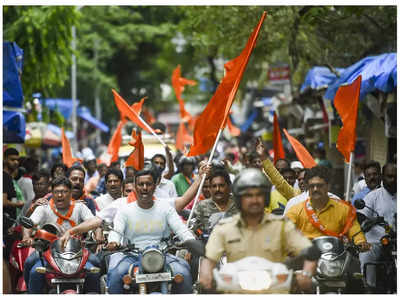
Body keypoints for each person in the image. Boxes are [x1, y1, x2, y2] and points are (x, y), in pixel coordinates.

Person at [199, 168, 318, 293]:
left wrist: (306, 274)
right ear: (239, 199)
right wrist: (206, 274)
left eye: (259, 195)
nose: (254, 200)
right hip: (236, 291)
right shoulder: (224, 228)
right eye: (248, 195)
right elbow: (209, 259)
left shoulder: (282, 226)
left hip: (275, 291)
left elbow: (309, 250)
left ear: (266, 198)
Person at [105, 168, 197, 294]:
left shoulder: (166, 208)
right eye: (140, 184)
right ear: (135, 187)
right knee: (116, 274)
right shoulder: (125, 211)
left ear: (155, 186)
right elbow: (116, 231)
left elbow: (181, 229)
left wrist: (190, 241)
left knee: (183, 272)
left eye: (148, 184)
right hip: (131, 256)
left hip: (162, 255)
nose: (144, 187)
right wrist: (113, 242)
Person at [21, 176, 100, 294]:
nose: (59, 195)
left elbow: (96, 221)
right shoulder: (44, 208)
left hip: (77, 253)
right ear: (52, 193)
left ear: (70, 193)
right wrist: (26, 237)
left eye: (64, 192)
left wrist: (71, 232)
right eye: (56, 192)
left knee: (96, 265)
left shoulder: (80, 207)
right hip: (48, 253)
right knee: (31, 268)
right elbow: (30, 224)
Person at [285, 166, 370, 251]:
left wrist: (361, 242)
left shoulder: (344, 209)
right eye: (312, 186)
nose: (315, 189)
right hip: (306, 259)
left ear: (328, 186)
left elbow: (355, 231)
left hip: (336, 258)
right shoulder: (295, 210)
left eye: (320, 185)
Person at [357, 162, 396, 290]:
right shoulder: (373, 196)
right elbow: (361, 220)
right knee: (366, 253)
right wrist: (372, 221)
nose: (393, 179)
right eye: (390, 176)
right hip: (378, 243)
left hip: (396, 242)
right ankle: (369, 288)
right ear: (383, 177)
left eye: (396, 176)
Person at [192, 168, 238, 233]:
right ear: (210, 188)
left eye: (221, 186)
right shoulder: (202, 206)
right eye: (214, 186)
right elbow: (193, 231)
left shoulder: (239, 204)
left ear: (229, 186)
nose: (217, 189)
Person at [3, 148, 24, 260]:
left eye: (17, 160)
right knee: (5, 259)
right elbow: (3, 202)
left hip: (10, 225)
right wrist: (18, 205)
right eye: (12, 160)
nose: (16, 162)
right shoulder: (4, 177)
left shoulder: (9, 177)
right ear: (5, 159)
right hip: (6, 227)